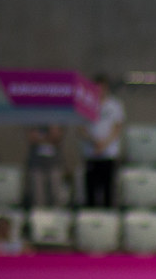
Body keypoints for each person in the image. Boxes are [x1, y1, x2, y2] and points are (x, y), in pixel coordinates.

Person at [78, 74, 125, 207]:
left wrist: (104, 144)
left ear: (106, 88)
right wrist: (94, 141)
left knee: (108, 191)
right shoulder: (86, 104)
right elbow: (80, 128)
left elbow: (117, 128)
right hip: (91, 153)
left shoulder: (115, 105)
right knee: (91, 192)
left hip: (108, 154)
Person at [26, 124, 67, 206]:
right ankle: (39, 212)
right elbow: (32, 138)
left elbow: (56, 137)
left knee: (55, 193)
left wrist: (42, 138)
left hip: (54, 164)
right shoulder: (33, 122)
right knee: (38, 194)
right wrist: (47, 138)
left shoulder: (55, 121)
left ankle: (56, 211)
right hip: (37, 164)